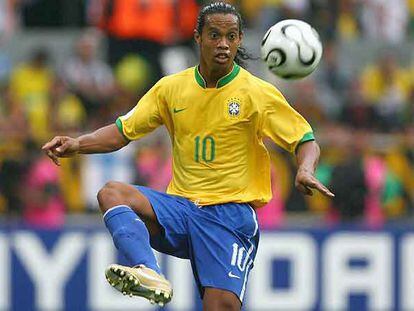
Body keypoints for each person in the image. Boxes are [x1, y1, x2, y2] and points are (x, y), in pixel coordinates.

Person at [42, 2, 334, 310]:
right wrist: (77, 144)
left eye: (231, 36)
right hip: (181, 210)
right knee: (112, 193)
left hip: (229, 217)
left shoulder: (256, 93)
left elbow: (305, 138)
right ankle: (149, 272)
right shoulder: (171, 89)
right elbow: (121, 132)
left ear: (239, 40)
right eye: (215, 35)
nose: (223, 44)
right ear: (197, 37)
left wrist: (304, 168)